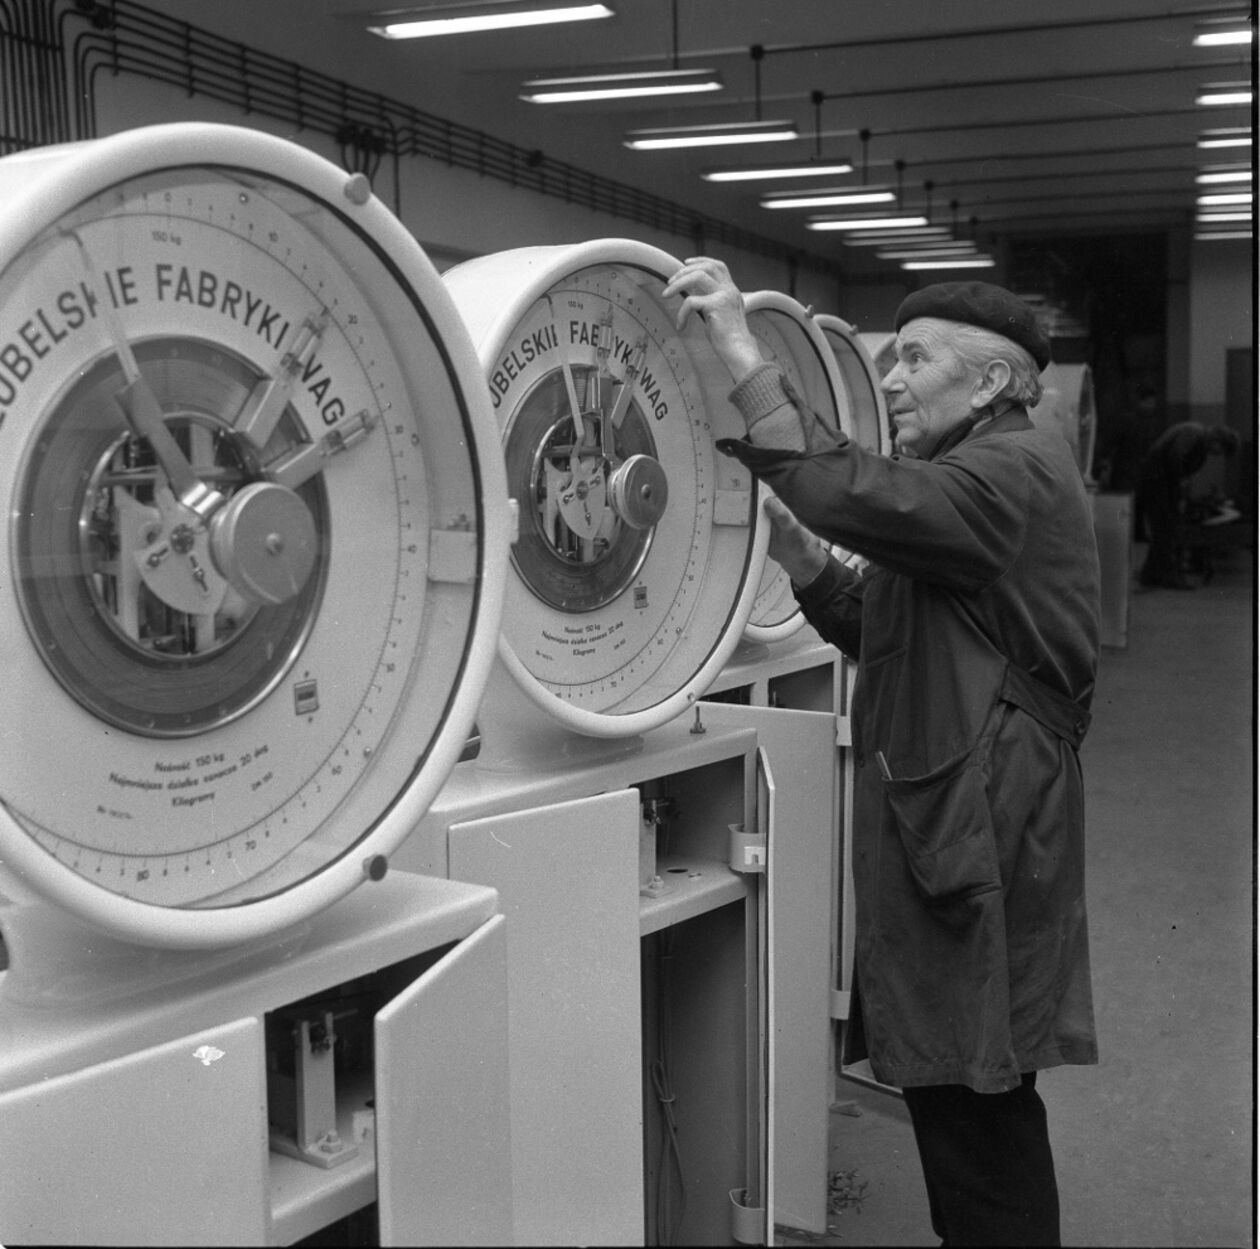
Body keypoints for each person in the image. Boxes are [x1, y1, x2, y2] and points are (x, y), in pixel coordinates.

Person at [663, 259, 1101, 1248]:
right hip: (967, 819)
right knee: (961, 1091)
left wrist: (740, 349)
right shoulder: (973, 485)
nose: (892, 381)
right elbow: (889, 628)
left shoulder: (1007, 474)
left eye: (914, 359)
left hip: (985, 825)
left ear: (992, 383)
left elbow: (855, 489)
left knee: (979, 1100)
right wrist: (807, 563)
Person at [1136, 419, 1240, 589]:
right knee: (1165, 528)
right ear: (1218, 440)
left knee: (1164, 529)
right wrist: (1179, 485)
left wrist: (1181, 491)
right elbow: (1175, 456)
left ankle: (1151, 574)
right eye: (1221, 450)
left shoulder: (1200, 447)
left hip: (1163, 482)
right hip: (1157, 481)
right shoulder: (1193, 433)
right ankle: (1165, 575)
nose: (1218, 455)